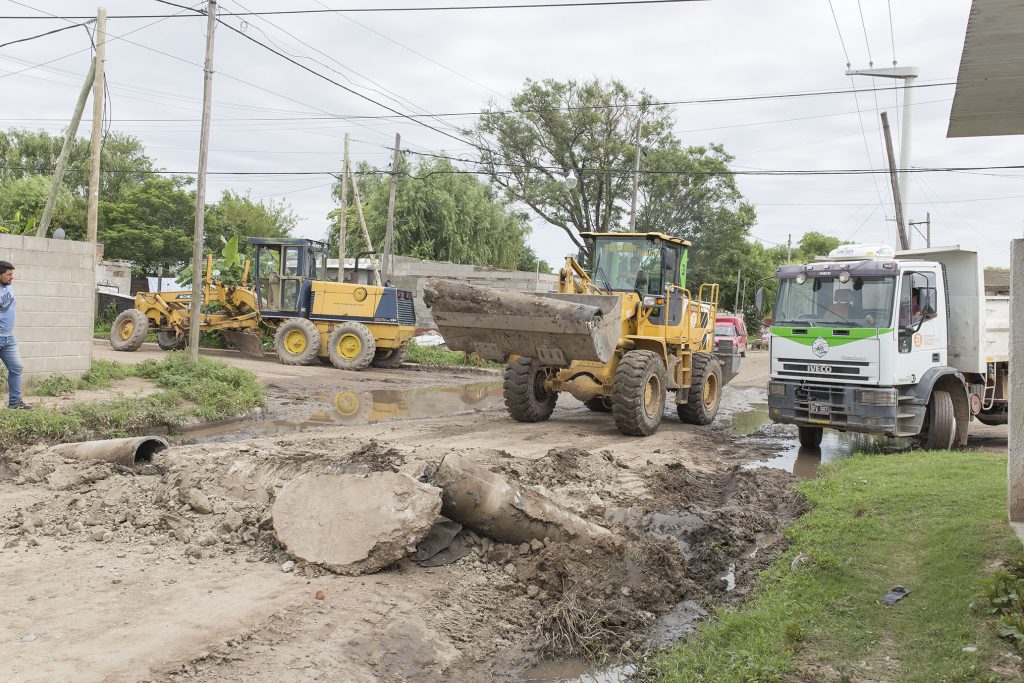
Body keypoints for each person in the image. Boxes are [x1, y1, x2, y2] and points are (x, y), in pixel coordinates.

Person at [0, 260, 30, 410]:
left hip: (8, 337)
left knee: (16, 367)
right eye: (9, 275)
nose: (12, 277)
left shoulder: (9, 287)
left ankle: (14, 403)